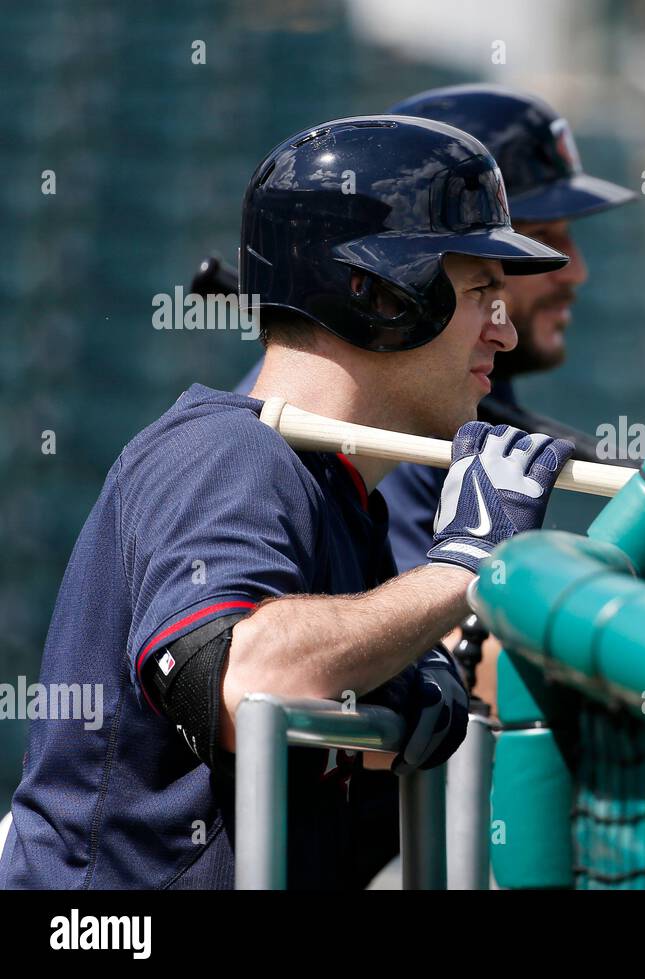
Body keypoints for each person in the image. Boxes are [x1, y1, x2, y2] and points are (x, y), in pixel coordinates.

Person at [0, 116, 573, 889]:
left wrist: (411, 672)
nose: (500, 336)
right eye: (481, 295)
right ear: (377, 295)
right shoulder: (228, 454)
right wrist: (462, 567)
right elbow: (250, 680)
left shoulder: (337, 490)